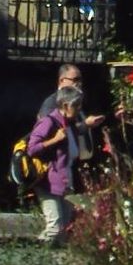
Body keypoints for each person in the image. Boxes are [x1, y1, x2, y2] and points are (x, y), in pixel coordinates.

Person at [25, 83, 85, 243]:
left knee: (65, 230)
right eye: (77, 105)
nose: (79, 109)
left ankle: (56, 262)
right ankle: (36, 253)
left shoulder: (69, 124)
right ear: (66, 105)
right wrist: (54, 140)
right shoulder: (49, 122)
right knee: (54, 227)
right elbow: (32, 149)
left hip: (65, 181)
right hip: (49, 183)